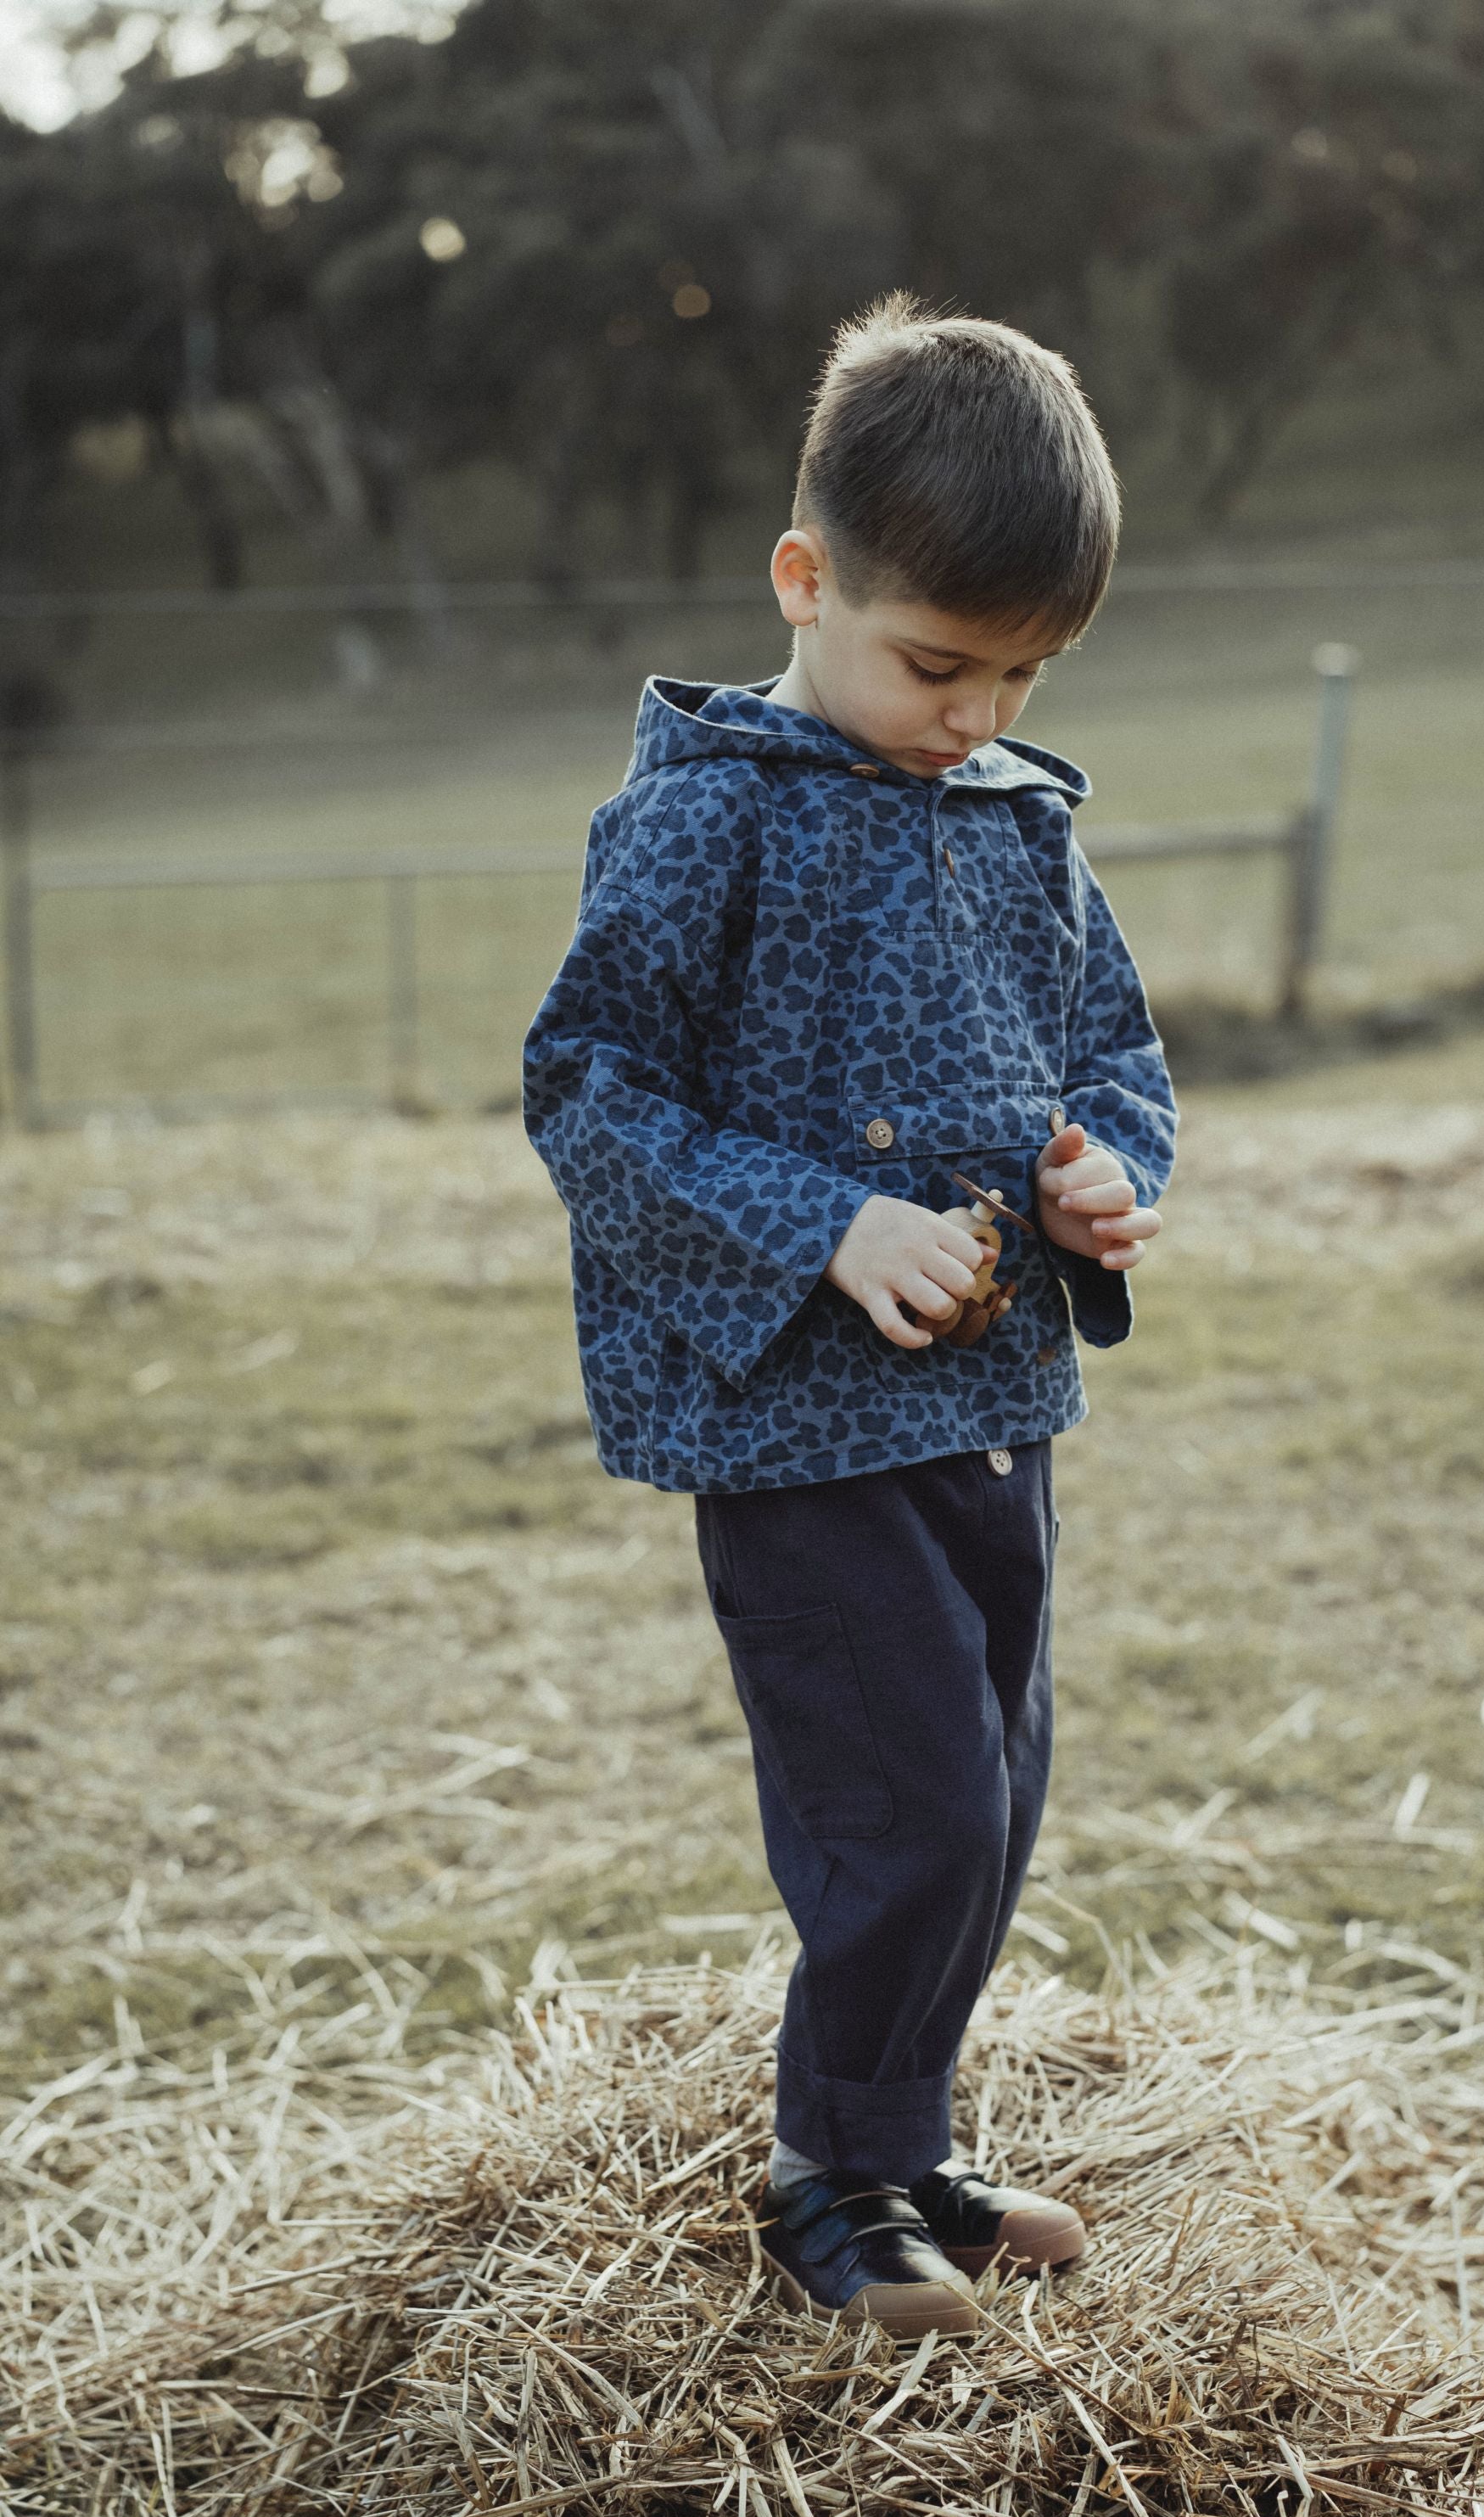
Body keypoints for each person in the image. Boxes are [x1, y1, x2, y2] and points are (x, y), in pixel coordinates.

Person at [523, 296, 1176, 2337]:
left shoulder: (1022, 824)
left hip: (993, 1404)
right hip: (790, 1424)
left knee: (994, 1787)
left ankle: (904, 2148)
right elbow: (590, 1094)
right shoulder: (704, 816)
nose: (976, 712)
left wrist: (1105, 1178)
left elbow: (1114, 1058)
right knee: (904, 1800)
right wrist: (825, 1226)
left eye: (1022, 673)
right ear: (804, 585)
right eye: (935, 663)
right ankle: (826, 2181)